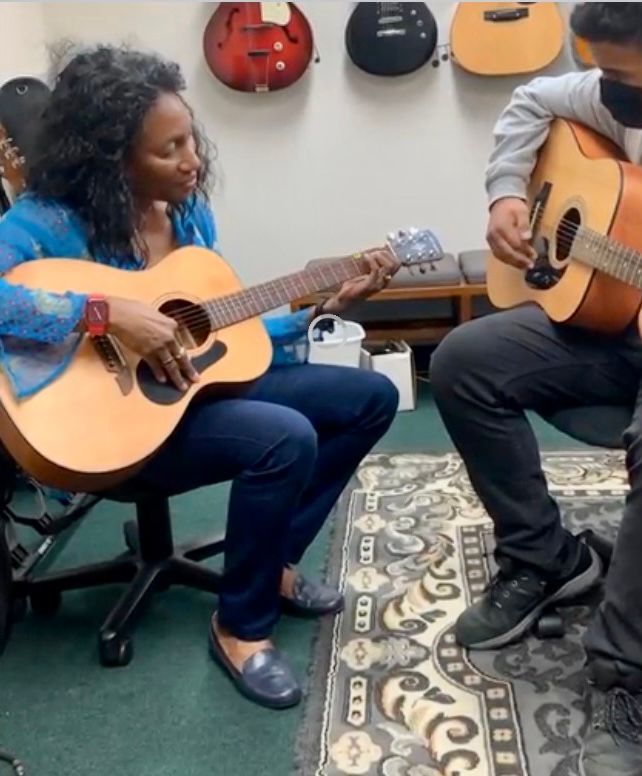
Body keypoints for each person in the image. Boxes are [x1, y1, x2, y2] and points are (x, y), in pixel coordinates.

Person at [0, 44, 401, 709]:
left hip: (188, 396)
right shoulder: (45, 223)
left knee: (369, 397)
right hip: (103, 433)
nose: (192, 160)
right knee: (284, 437)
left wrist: (315, 312)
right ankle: (240, 627)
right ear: (110, 159)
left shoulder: (186, 215)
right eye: (168, 150)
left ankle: (270, 565)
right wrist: (105, 314)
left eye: (190, 137)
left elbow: (219, 333)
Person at [430, 4, 642, 774]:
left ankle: (626, 678)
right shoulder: (614, 95)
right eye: (603, 73)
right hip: (609, 321)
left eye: (620, 75)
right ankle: (546, 557)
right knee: (461, 361)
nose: (606, 92)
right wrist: (508, 196)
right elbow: (531, 100)